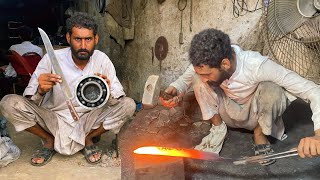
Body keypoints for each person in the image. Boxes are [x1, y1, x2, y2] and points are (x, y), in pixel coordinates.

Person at [160, 28, 320, 165]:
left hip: (256, 117)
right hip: (227, 115)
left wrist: (319, 136)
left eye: (208, 74)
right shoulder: (206, 63)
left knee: (272, 89)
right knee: (196, 78)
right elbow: (185, 79)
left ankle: (260, 135)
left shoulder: (256, 65)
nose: (204, 78)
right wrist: (174, 89)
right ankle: (218, 129)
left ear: (225, 64)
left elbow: (313, 91)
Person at [0, 12, 136, 166]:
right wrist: (40, 91)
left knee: (129, 105)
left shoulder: (102, 59)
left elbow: (118, 100)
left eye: (88, 39)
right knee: (8, 102)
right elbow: (29, 100)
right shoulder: (51, 58)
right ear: (68, 38)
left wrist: (108, 91)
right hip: (54, 118)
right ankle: (48, 139)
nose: (83, 46)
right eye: (78, 39)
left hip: (89, 119)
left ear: (96, 39)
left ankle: (89, 138)